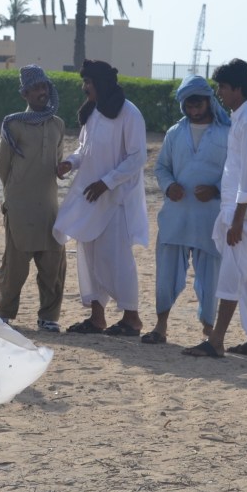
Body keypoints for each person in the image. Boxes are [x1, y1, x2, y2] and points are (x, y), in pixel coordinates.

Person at [183, 59, 247, 358]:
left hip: (246, 216)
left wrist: (238, 220)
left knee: (232, 277)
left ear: (238, 88)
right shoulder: (242, 118)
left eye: (223, 87)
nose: (219, 93)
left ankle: (216, 340)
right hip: (242, 213)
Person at [55, 59, 148, 336]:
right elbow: (84, 149)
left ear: (101, 84)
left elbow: (137, 157)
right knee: (88, 256)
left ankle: (132, 318)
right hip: (89, 197)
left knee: (115, 258)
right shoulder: (94, 113)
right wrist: (70, 163)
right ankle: (97, 318)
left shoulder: (129, 114)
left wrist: (107, 183)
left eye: (89, 83)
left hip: (115, 199)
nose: (85, 88)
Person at [143, 74, 230, 345]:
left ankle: (208, 327)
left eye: (198, 106)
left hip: (210, 218)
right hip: (176, 216)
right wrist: (169, 187)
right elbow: (161, 168)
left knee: (211, 276)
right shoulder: (174, 133)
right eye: (189, 107)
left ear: (208, 102)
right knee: (166, 273)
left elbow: (235, 173)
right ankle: (161, 325)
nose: (193, 111)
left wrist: (216, 189)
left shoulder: (226, 134)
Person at [0, 65, 66, 333]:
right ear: (24, 94)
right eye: (35, 89)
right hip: (20, 206)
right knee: (14, 266)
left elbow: (58, 162)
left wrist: (62, 169)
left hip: (49, 206)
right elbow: (3, 166)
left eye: (44, 87)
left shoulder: (58, 124)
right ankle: (4, 313)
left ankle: (49, 317)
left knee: (52, 264)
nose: (41, 92)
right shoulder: (13, 124)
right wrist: (13, 197)